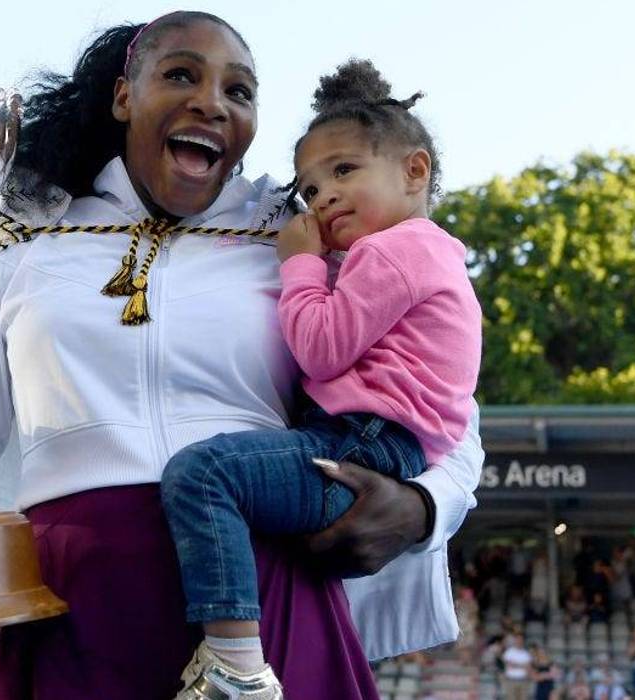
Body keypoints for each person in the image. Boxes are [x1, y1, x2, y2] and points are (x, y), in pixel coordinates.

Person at [0, 11, 484, 700]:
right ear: (124, 96)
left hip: (263, 590)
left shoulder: (304, 239)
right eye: (180, 74)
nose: (211, 101)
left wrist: (424, 506)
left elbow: (440, 395)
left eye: (238, 92)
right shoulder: (22, 247)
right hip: (74, 600)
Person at [158, 57, 480, 696]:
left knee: (204, 474)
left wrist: (301, 266)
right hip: (378, 443)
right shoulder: (423, 251)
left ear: (414, 171)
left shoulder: (392, 251)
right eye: (308, 189)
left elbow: (321, 349)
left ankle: (234, 666)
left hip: (360, 444)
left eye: (344, 172)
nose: (323, 196)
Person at [501, 634, 534, 700]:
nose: (519, 641)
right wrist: (522, 665)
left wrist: (515, 664)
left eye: (521, 639)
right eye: (518, 639)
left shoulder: (526, 653)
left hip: (523, 680)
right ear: (515, 640)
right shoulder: (509, 652)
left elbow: (528, 667)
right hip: (511, 680)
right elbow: (508, 665)